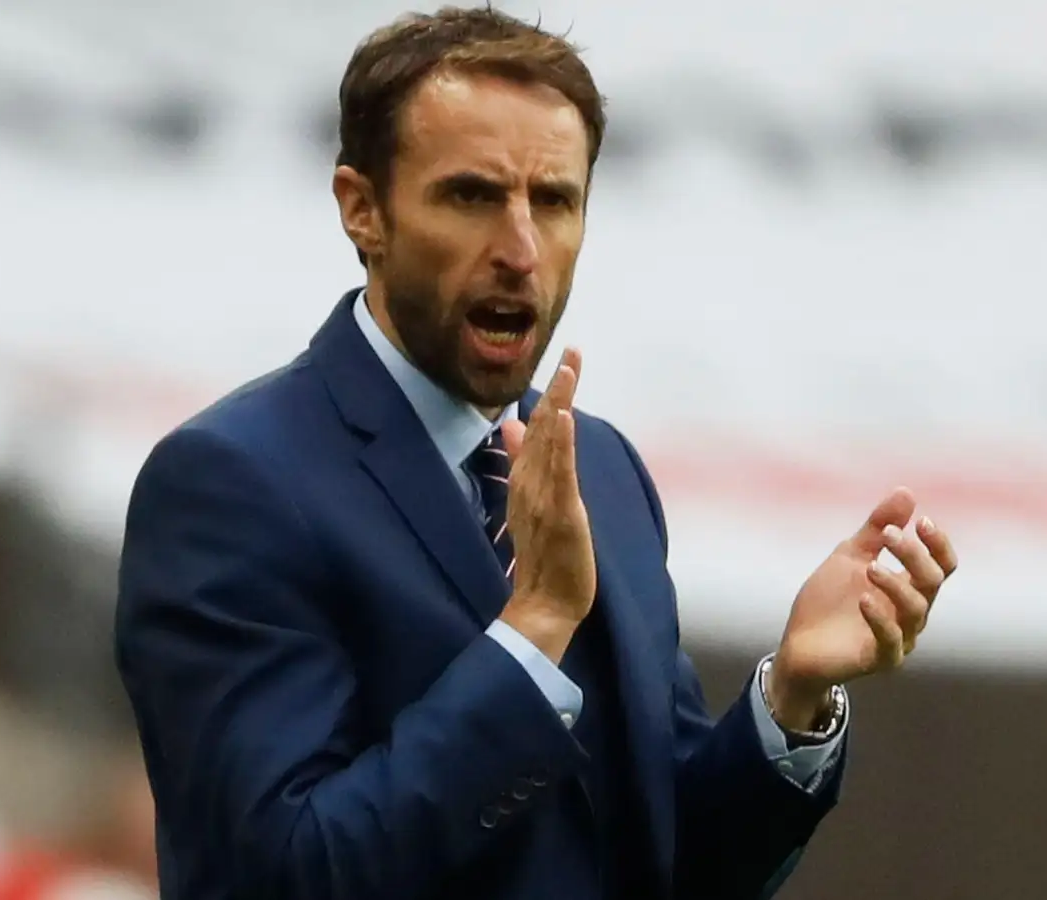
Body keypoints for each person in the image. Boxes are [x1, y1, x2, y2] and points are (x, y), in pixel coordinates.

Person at [114, 7, 959, 900]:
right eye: (473, 195)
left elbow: (670, 864)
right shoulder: (233, 483)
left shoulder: (605, 475)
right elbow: (286, 874)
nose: (520, 251)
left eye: (552, 201)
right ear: (363, 210)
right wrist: (532, 634)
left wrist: (789, 698)